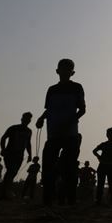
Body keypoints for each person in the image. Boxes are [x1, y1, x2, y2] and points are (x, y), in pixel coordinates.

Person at [34, 58, 85, 206]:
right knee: (48, 166)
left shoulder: (77, 87)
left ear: (72, 72)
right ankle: (48, 199)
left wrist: (70, 122)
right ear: (57, 71)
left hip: (70, 134)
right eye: (62, 69)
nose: (64, 72)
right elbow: (49, 109)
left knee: (69, 168)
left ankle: (71, 200)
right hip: (53, 134)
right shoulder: (52, 90)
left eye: (68, 70)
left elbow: (82, 110)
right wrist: (41, 118)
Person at [0, 112, 33, 199]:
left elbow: (28, 143)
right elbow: (3, 138)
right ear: (22, 119)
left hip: (20, 155)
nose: (27, 120)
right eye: (25, 118)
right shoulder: (13, 128)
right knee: (10, 171)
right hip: (10, 153)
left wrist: (30, 155)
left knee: (13, 173)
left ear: (30, 121)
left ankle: (6, 191)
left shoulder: (29, 131)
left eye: (28, 119)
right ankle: (5, 193)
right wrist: (3, 149)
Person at [92, 127, 112, 205]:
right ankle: (98, 200)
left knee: (111, 184)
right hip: (103, 166)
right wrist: (99, 157)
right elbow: (94, 151)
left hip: (111, 166)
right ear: (107, 134)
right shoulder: (104, 144)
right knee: (101, 184)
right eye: (111, 133)